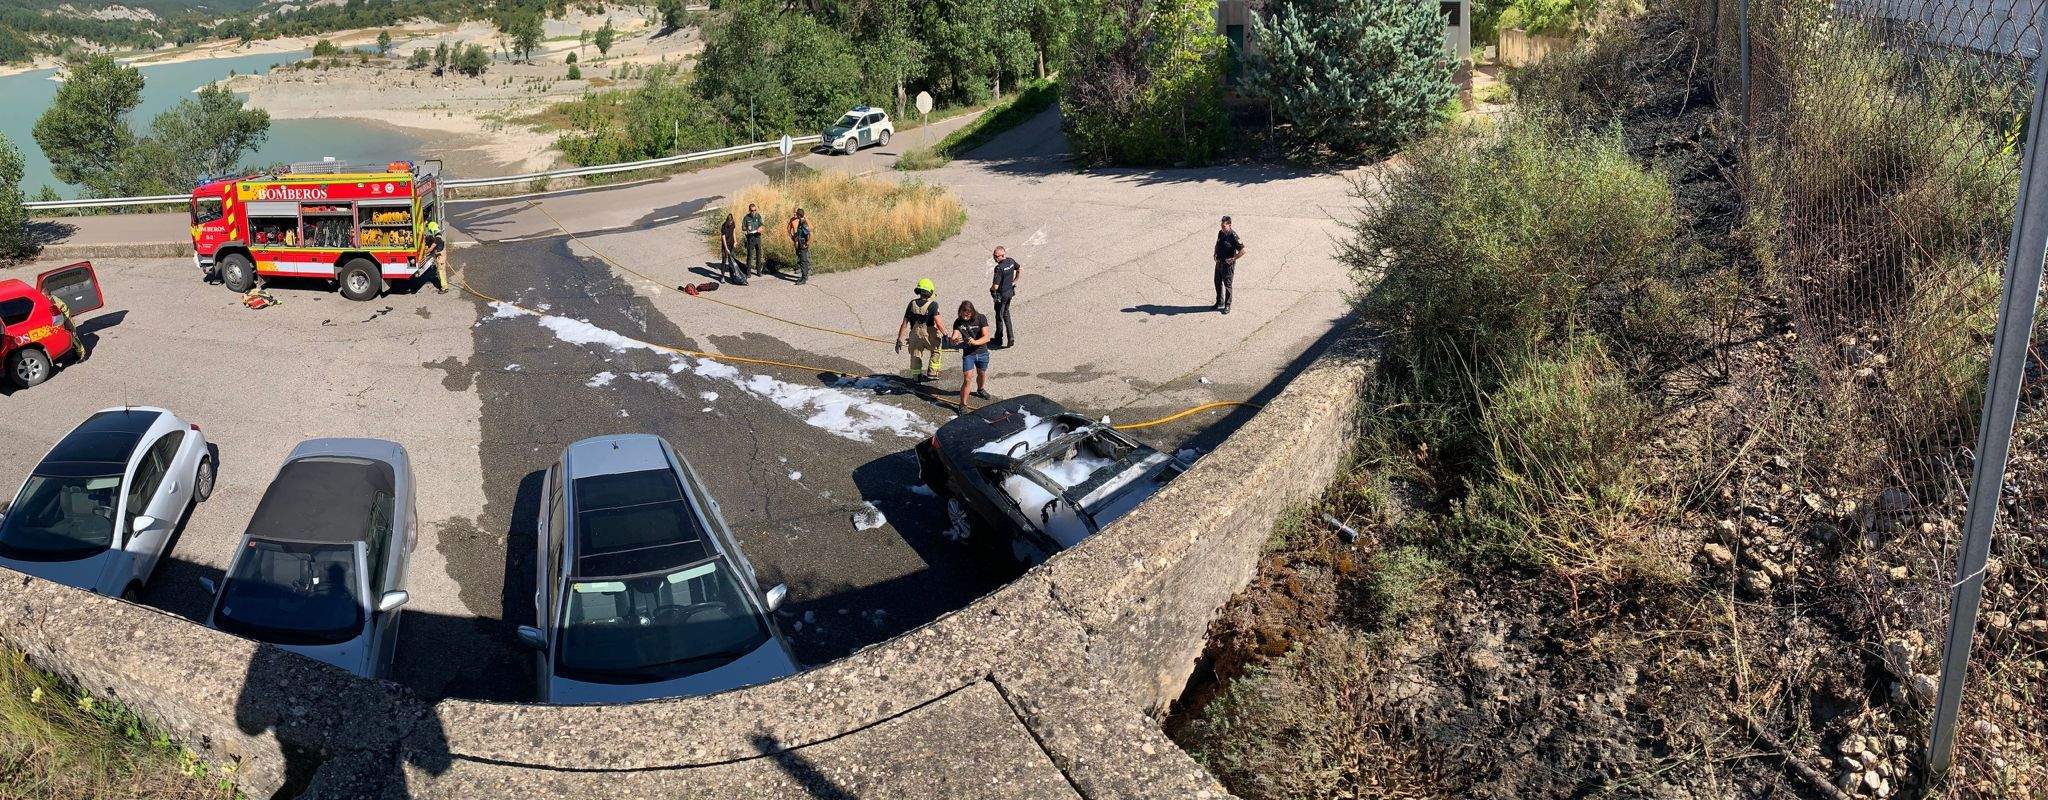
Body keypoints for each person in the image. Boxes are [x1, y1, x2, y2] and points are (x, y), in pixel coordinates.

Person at [896, 278, 944, 382]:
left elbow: (904, 324)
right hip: (929, 335)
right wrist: (946, 334)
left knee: (915, 354)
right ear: (930, 292)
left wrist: (899, 339)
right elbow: (939, 323)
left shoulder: (911, 303)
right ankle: (932, 372)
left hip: (914, 335)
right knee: (936, 349)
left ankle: (916, 377)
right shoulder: (933, 305)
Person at [949, 299, 994, 408]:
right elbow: (954, 335)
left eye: (967, 315)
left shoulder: (981, 318)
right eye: (963, 315)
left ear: (972, 312)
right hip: (969, 354)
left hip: (982, 352)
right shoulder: (958, 321)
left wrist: (975, 342)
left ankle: (980, 389)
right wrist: (953, 340)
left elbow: (986, 337)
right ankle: (963, 404)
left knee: (981, 373)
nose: (965, 317)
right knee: (967, 378)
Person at [988, 246, 1020, 349]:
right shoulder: (1011, 261)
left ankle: (998, 339)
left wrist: (991, 289)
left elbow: (996, 286)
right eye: (994, 256)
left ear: (1002, 255)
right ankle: (1011, 337)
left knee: (999, 316)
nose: (995, 258)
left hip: (1001, 295)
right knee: (1006, 313)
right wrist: (1014, 281)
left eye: (996, 256)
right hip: (1010, 293)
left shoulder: (999, 268)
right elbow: (1020, 269)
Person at [1214, 216, 1245, 314]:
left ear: (1229, 225)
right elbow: (1217, 243)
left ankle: (1227, 305)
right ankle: (1219, 301)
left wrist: (1233, 258)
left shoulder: (1233, 236)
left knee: (1227, 285)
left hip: (1228, 266)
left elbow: (1243, 251)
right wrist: (1215, 252)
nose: (1222, 228)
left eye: (1224, 226)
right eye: (1221, 226)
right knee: (1217, 282)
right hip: (1219, 263)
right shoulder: (1221, 233)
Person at [718, 213, 746, 285]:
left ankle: (732, 276)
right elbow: (723, 238)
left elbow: (733, 232)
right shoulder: (724, 226)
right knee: (724, 260)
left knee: (731, 260)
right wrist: (726, 248)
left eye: (731, 221)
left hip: (731, 244)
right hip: (725, 245)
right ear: (727, 220)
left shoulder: (733, 223)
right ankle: (722, 277)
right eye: (729, 222)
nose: (730, 223)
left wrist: (735, 241)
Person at [422, 220, 448, 293]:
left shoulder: (438, 238)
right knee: (440, 271)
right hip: (440, 256)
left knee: (441, 271)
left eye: (430, 230)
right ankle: (443, 286)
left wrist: (424, 253)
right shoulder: (438, 235)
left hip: (441, 257)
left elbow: (431, 248)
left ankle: (444, 288)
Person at [789, 208, 812, 285]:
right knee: (802, 261)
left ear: (799, 215)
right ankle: (803, 276)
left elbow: (808, 234)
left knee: (803, 261)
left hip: (803, 244)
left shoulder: (803, 223)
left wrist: (806, 243)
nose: (795, 215)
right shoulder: (800, 222)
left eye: (797, 214)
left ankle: (804, 278)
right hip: (800, 243)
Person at [741, 203, 765, 277]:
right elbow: (743, 227)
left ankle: (758, 271)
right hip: (750, 238)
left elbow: (761, 225)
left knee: (759, 255)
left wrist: (761, 228)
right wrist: (747, 229)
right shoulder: (746, 218)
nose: (753, 212)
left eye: (755, 210)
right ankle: (748, 272)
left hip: (757, 237)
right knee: (750, 256)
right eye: (752, 210)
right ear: (749, 210)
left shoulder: (758, 216)